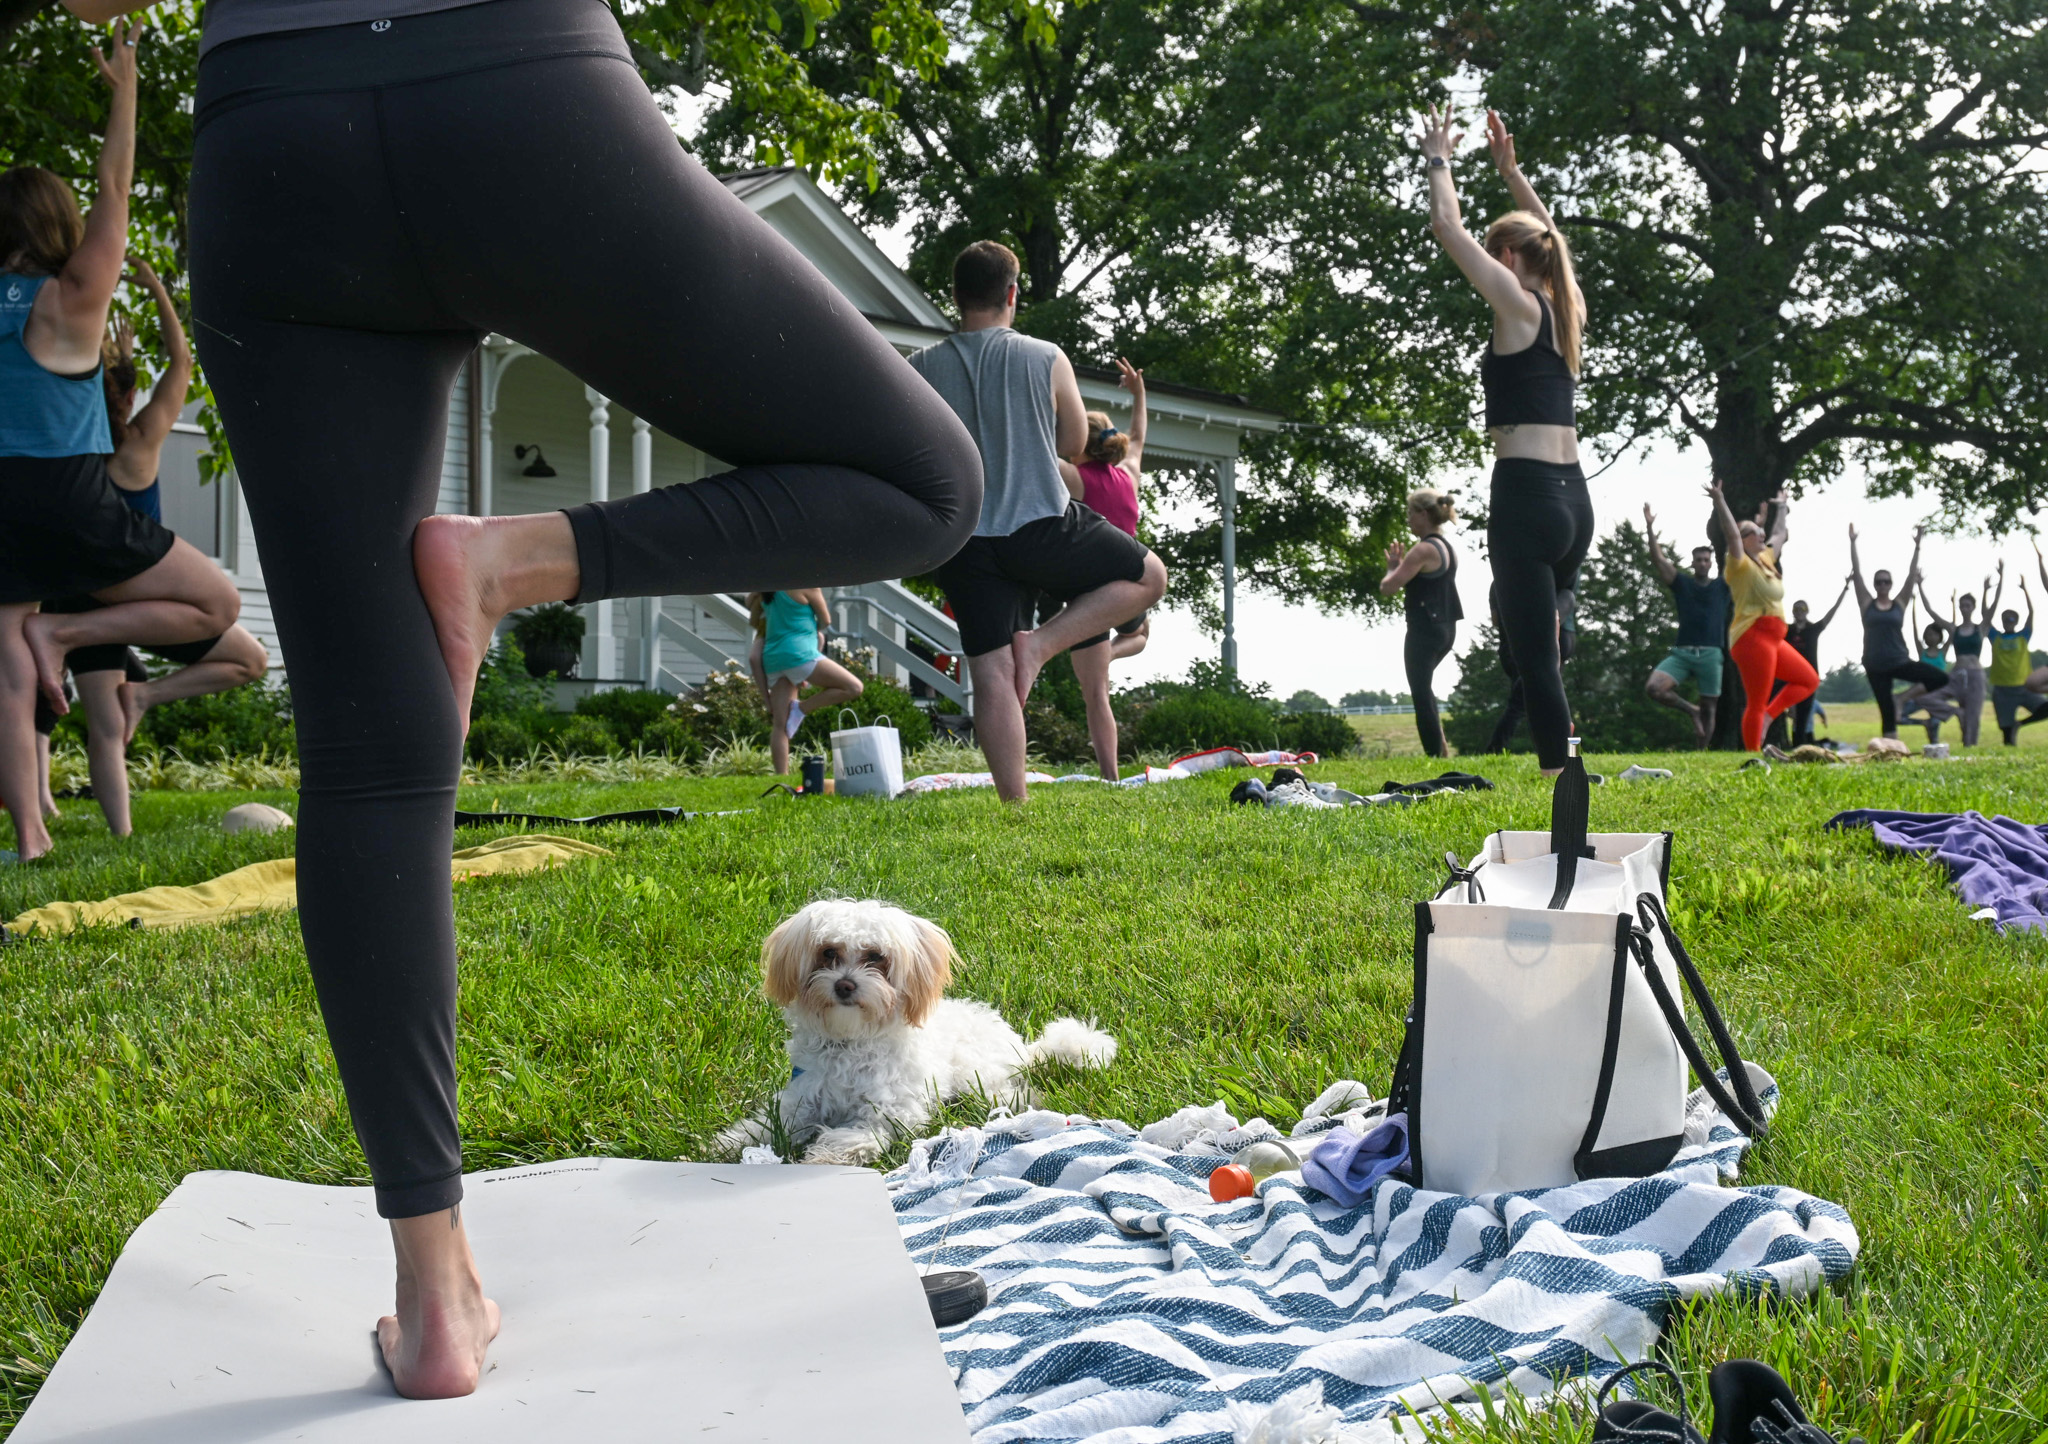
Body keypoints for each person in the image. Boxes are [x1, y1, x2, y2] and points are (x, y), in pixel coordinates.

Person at [62, 0, 984, 1398]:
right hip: (520, 94)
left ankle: (435, 1301)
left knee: (370, 757)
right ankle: (519, 560)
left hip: (276, 138)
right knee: (926, 482)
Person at [1, 24, 242, 862]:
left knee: (5, 666)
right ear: (56, 223)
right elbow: (115, 182)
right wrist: (126, 88)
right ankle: (62, 638)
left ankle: (30, 839)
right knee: (218, 605)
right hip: (68, 493)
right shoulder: (72, 297)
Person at [911, 241, 1166, 799]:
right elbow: (1074, 443)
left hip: (966, 540)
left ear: (956, 295)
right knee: (1150, 577)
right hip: (1041, 523)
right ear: (1011, 294)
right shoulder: (1045, 356)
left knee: (991, 673)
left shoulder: (920, 367)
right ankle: (1043, 645)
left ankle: (1015, 807)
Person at [1421, 106, 1587, 775]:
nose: (1490, 263)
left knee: (1535, 657)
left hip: (1527, 495)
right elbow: (1557, 242)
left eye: (1497, 253)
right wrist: (1512, 174)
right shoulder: (1567, 312)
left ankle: (1560, 780)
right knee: (1547, 651)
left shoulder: (1518, 306)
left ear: (1511, 257)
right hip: (1575, 501)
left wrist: (1439, 159)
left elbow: (1446, 227)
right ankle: (1567, 760)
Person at [1053, 356, 1151, 779]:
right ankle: (1111, 653)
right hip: (1131, 585)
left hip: (1090, 593)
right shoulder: (1129, 474)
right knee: (1141, 635)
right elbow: (1139, 436)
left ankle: (1110, 776)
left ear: (1080, 443)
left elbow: (1035, 450)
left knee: (1096, 694)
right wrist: (1139, 393)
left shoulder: (1074, 477)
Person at [1706, 483, 1815, 751]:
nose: (1761, 535)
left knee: (1808, 680)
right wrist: (1720, 500)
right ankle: (1754, 756)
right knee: (1756, 701)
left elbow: (1779, 533)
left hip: (1774, 638)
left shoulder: (1766, 558)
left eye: (1760, 531)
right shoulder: (1739, 565)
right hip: (1752, 637)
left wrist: (1782, 505)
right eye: (1754, 533)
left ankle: (1768, 716)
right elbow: (1731, 534)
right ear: (1743, 540)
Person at [1379, 488, 1462, 758]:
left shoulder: (1423, 550)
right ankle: (1441, 750)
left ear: (1424, 514)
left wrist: (1392, 567)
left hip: (1424, 628)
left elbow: (1388, 587)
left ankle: (1435, 753)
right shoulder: (1447, 548)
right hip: (1447, 628)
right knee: (1425, 688)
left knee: (1420, 691)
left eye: (1410, 513)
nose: (1408, 520)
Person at [748, 588, 862, 775]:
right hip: (799, 654)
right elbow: (825, 620)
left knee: (780, 724)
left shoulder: (767, 589)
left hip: (773, 658)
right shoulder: (808, 587)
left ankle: (781, 776)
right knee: (854, 687)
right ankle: (801, 708)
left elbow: (754, 620)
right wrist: (808, 628)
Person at [1642, 504, 1729, 745]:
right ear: (1692, 563)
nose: (1702, 563)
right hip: (1682, 652)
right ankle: (1692, 710)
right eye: (1698, 560)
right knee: (1654, 688)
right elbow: (1658, 559)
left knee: (1710, 708)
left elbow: (1737, 549)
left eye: (1706, 560)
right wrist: (1649, 527)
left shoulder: (1722, 586)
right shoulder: (1682, 583)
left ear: (1711, 564)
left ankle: (1702, 754)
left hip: (1711, 653)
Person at [1848, 524, 1944, 739]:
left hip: (1899, 660)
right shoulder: (1867, 604)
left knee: (1939, 678)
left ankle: (1901, 698)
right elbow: (1857, 574)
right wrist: (1853, 543)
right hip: (1875, 663)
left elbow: (1911, 576)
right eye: (1879, 582)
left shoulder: (1899, 603)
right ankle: (1891, 750)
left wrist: (1918, 545)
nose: (1883, 585)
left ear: (1891, 584)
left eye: (1886, 581)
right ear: (1875, 585)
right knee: (1887, 712)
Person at [1917, 570, 1998, 747]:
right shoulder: (1954, 630)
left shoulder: (1980, 629)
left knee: (1973, 717)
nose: (1964, 609)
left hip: (1975, 675)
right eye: (1962, 606)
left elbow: (1992, 609)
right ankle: (1956, 712)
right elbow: (1931, 612)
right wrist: (1920, 585)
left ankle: (1969, 748)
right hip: (1957, 675)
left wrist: (1989, 589)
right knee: (1926, 699)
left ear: (1973, 607)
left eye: (1968, 605)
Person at [1784, 583, 1849, 745]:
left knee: (1804, 714)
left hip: (1810, 678)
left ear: (1807, 611)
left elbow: (1831, 613)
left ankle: (1800, 747)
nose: (1799, 611)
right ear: (1792, 612)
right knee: (1793, 713)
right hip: (1791, 678)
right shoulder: (1787, 630)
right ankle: (1796, 745)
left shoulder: (1813, 629)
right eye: (1796, 609)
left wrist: (1845, 589)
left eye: (1802, 609)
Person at [1989, 584, 2047, 746]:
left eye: (2011, 619)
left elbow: (2031, 612)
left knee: (2045, 708)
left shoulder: (2023, 636)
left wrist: (2025, 590)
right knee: (2007, 735)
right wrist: (1989, 591)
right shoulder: (1995, 637)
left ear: (2016, 621)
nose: (2008, 622)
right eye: (2005, 619)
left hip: (2024, 687)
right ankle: (2010, 750)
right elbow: (1985, 615)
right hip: (2002, 689)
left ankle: (2019, 724)